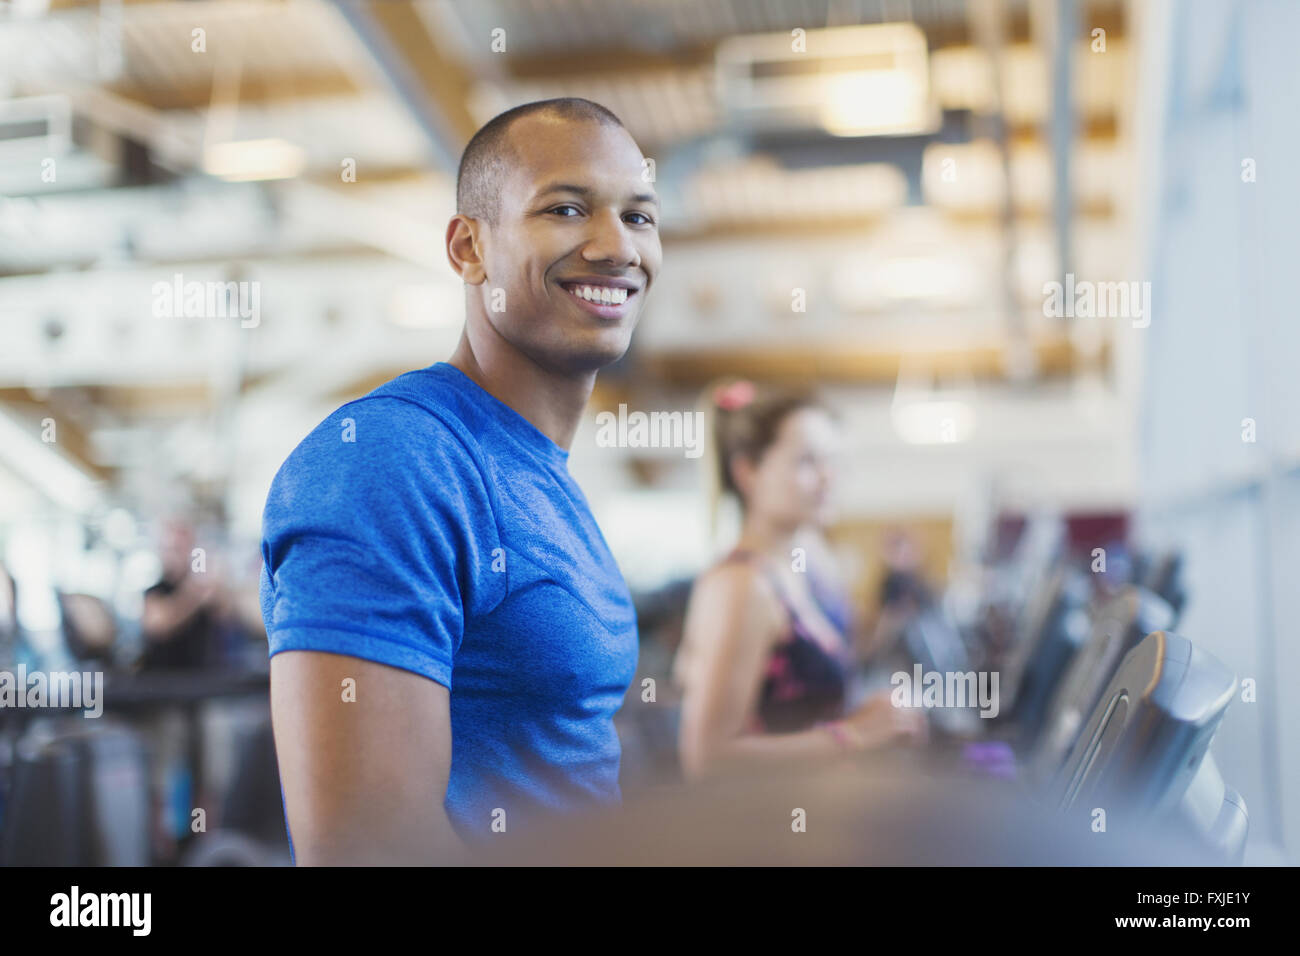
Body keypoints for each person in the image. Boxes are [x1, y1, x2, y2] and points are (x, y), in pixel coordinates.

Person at [260, 98, 662, 865]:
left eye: (639, 217)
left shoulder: (544, 478)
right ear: (468, 247)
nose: (616, 246)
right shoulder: (388, 459)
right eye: (568, 208)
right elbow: (366, 852)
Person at [672, 381, 926, 780]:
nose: (829, 478)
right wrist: (855, 734)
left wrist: (875, 718)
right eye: (808, 462)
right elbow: (707, 759)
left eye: (834, 461)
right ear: (748, 472)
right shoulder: (741, 586)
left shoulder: (809, 562)